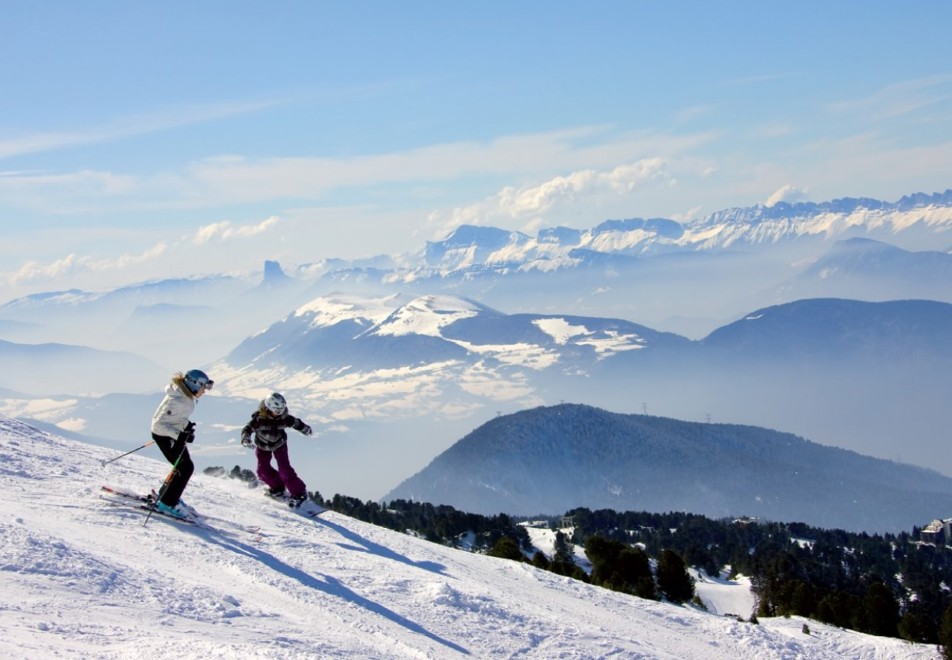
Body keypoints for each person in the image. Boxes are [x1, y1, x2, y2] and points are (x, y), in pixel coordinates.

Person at [149, 369, 213, 518]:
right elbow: (158, 425)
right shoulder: (178, 400)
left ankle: (167, 496)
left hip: (172, 436)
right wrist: (180, 435)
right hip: (164, 436)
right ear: (195, 385)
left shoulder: (184, 396)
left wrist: (186, 427)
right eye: (204, 387)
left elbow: (176, 419)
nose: (205, 391)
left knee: (184, 466)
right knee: (185, 468)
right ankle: (166, 503)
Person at [241, 392, 313, 508]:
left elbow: (295, 422)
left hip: (279, 445)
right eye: (276, 409)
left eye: (281, 409)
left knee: (285, 470)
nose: (279, 412)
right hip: (262, 446)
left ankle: (300, 493)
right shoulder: (259, 419)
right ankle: (277, 488)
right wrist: (245, 439)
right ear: (269, 407)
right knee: (262, 471)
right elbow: (247, 429)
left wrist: (305, 429)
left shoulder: (283, 418)